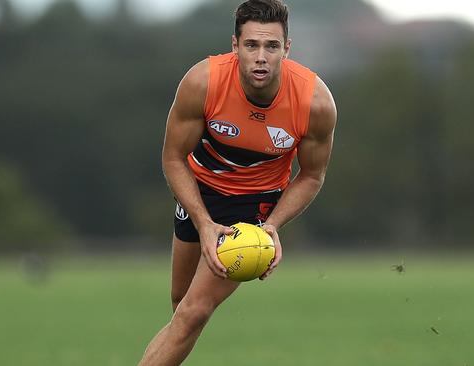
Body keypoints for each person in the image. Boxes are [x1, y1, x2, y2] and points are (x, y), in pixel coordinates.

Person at [138, 0, 336, 364]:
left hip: (253, 208)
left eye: (272, 46)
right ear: (235, 46)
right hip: (199, 194)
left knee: (194, 312)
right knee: (180, 307)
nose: (261, 57)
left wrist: (272, 225)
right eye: (252, 45)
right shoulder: (203, 82)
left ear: (287, 49)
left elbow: (311, 175)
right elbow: (173, 157)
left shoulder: (315, 103)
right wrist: (203, 221)